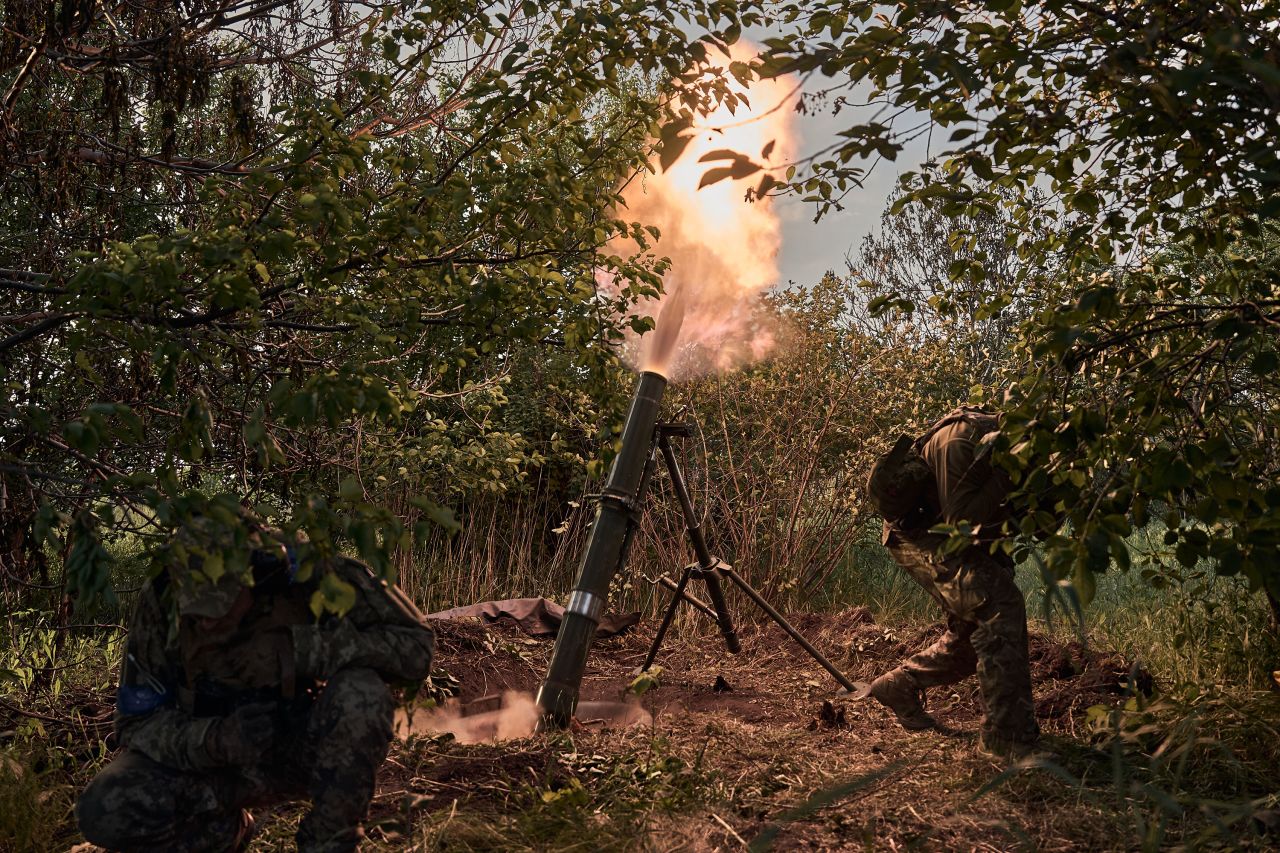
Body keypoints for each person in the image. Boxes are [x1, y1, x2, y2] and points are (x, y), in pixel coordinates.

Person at [75, 516, 435, 852]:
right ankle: (222, 834)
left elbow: (417, 649)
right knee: (105, 808)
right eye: (195, 611)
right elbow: (135, 725)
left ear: (252, 576)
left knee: (362, 693)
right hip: (209, 765)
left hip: (303, 750)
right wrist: (216, 739)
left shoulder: (312, 574)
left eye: (220, 606)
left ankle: (330, 840)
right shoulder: (162, 600)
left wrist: (305, 649)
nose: (208, 623)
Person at [865, 407, 1040, 758]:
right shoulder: (964, 440)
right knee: (998, 607)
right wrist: (1007, 475)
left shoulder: (1025, 452)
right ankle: (1007, 740)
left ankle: (900, 685)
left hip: (964, 537)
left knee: (976, 631)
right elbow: (960, 518)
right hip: (919, 535)